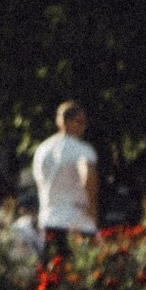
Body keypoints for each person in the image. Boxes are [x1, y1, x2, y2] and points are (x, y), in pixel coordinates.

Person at [32, 100, 99, 263]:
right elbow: (88, 175)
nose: (84, 126)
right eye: (80, 122)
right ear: (66, 122)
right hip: (77, 222)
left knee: (52, 275)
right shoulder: (82, 150)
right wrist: (92, 210)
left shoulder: (42, 149)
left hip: (48, 221)